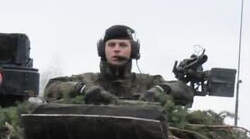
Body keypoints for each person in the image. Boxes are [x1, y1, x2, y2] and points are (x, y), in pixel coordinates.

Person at [42, 24, 194, 106]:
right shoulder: (87, 80)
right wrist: (81, 89)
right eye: (111, 45)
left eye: (123, 45)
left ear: (133, 50)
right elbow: (51, 88)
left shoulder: (147, 83)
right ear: (103, 50)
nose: (116, 49)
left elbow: (185, 92)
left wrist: (161, 90)